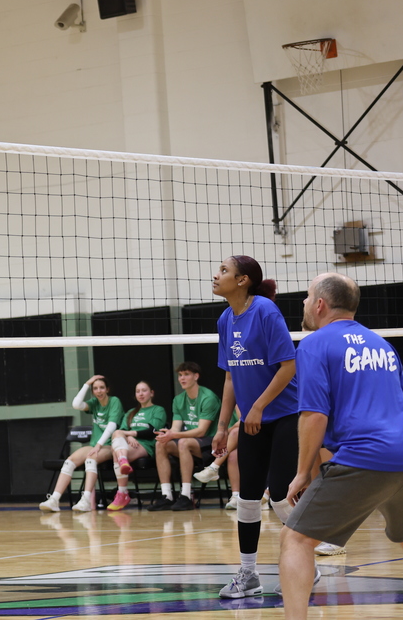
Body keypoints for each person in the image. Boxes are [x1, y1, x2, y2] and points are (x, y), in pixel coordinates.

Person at [279, 272, 403, 618]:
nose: (304, 303)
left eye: (307, 297)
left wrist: (302, 472)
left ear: (320, 304)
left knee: (295, 538)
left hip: (367, 456)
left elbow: (313, 416)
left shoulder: (313, 343)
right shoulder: (382, 344)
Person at [211, 255, 300, 599]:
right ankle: (248, 574)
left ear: (243, 279)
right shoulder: (224, 319)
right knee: (247, 498)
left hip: (285, 415)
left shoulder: (264, 311)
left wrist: (259, 407)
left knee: (279, 494)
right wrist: (222, 426)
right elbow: (231, 374)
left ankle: (306, 557)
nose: (216, 276)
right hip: (251, 421)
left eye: (223, 271)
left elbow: (288, 366)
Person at [39, 374, 122, 513]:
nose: (99, 391)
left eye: (102, 388)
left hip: (110, 445)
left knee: (90, 459)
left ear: (107, 389)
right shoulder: (94, 403)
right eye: (95, 388)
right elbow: (76, 404)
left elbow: (112, 426)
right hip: (95, 444)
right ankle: (54, 499)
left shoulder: (114, 402)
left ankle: (86, 500)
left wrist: (99, 445)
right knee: (69, 461)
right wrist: (86, 384)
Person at [147, 362, 219, 512]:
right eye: (180, 375)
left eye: (186, 374)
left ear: (196, 376)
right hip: (188, 442)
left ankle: (186, 496)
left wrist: (174, 434)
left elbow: (202, 431)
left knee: (183, 443)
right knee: (161, 443)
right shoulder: (178, 400)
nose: (182, 378)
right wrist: (166, 434)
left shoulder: (208, 397)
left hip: (212, 443)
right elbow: (175, 428)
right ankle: (167, 496)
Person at [106, 380, 167, 511]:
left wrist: (130, 433)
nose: (141, 394)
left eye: (144, 390)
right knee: (117, 439)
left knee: (116, 451)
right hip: (127, 444)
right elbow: (121, 432)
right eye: (138, 391)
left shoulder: (158, 410)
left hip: (145, 445)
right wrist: (128, 436)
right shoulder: (130, 413)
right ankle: (123, 462)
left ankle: (122, 493)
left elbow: (152, 431)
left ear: (151, 393)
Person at [194, 415, 242, 510]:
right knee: (232, 456)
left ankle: (214, 467)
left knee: (235, 432)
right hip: (239, 441)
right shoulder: (231, 403)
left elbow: (243, 420)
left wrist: (227, 432)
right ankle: (236, 496)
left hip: (259, 434)